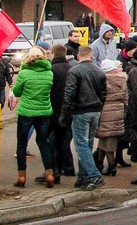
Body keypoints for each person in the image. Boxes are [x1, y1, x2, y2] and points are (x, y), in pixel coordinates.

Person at [59, 45, 106, 190]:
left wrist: (64, 114)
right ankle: (83, 176)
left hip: (81, 111)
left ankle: (93, 175)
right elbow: (104, 93)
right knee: (88, 143)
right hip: (95, 110)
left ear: (79, 55)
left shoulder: (75, 71)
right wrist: (99, 107)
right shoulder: (99, 71)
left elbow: (69, 94)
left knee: (81, 145)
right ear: (91, 55)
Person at [12, 46, 57, 188]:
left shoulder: (24, 73)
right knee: (44, 142)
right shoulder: (49, 73)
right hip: (44, 112)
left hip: (26, 112)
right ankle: (49, 173)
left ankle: (21, 177)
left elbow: (17, 92)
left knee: (21, 144)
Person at [48, 44, 77, 184]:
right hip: (70, 110)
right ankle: (66, 168)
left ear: (53, 54)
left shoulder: (52, 70)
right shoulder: (72, 69)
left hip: (54, 110)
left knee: (53, 142)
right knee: (64, 141)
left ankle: (55, 171)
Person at [95, 59, 129, 175]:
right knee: (107, 138)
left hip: (105, 112)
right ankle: (100, 163)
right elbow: (126, 99)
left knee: (106, 139)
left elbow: (99, 97)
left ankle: (111, 166)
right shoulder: (122, 81)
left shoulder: (104, 82)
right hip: (118, 112)